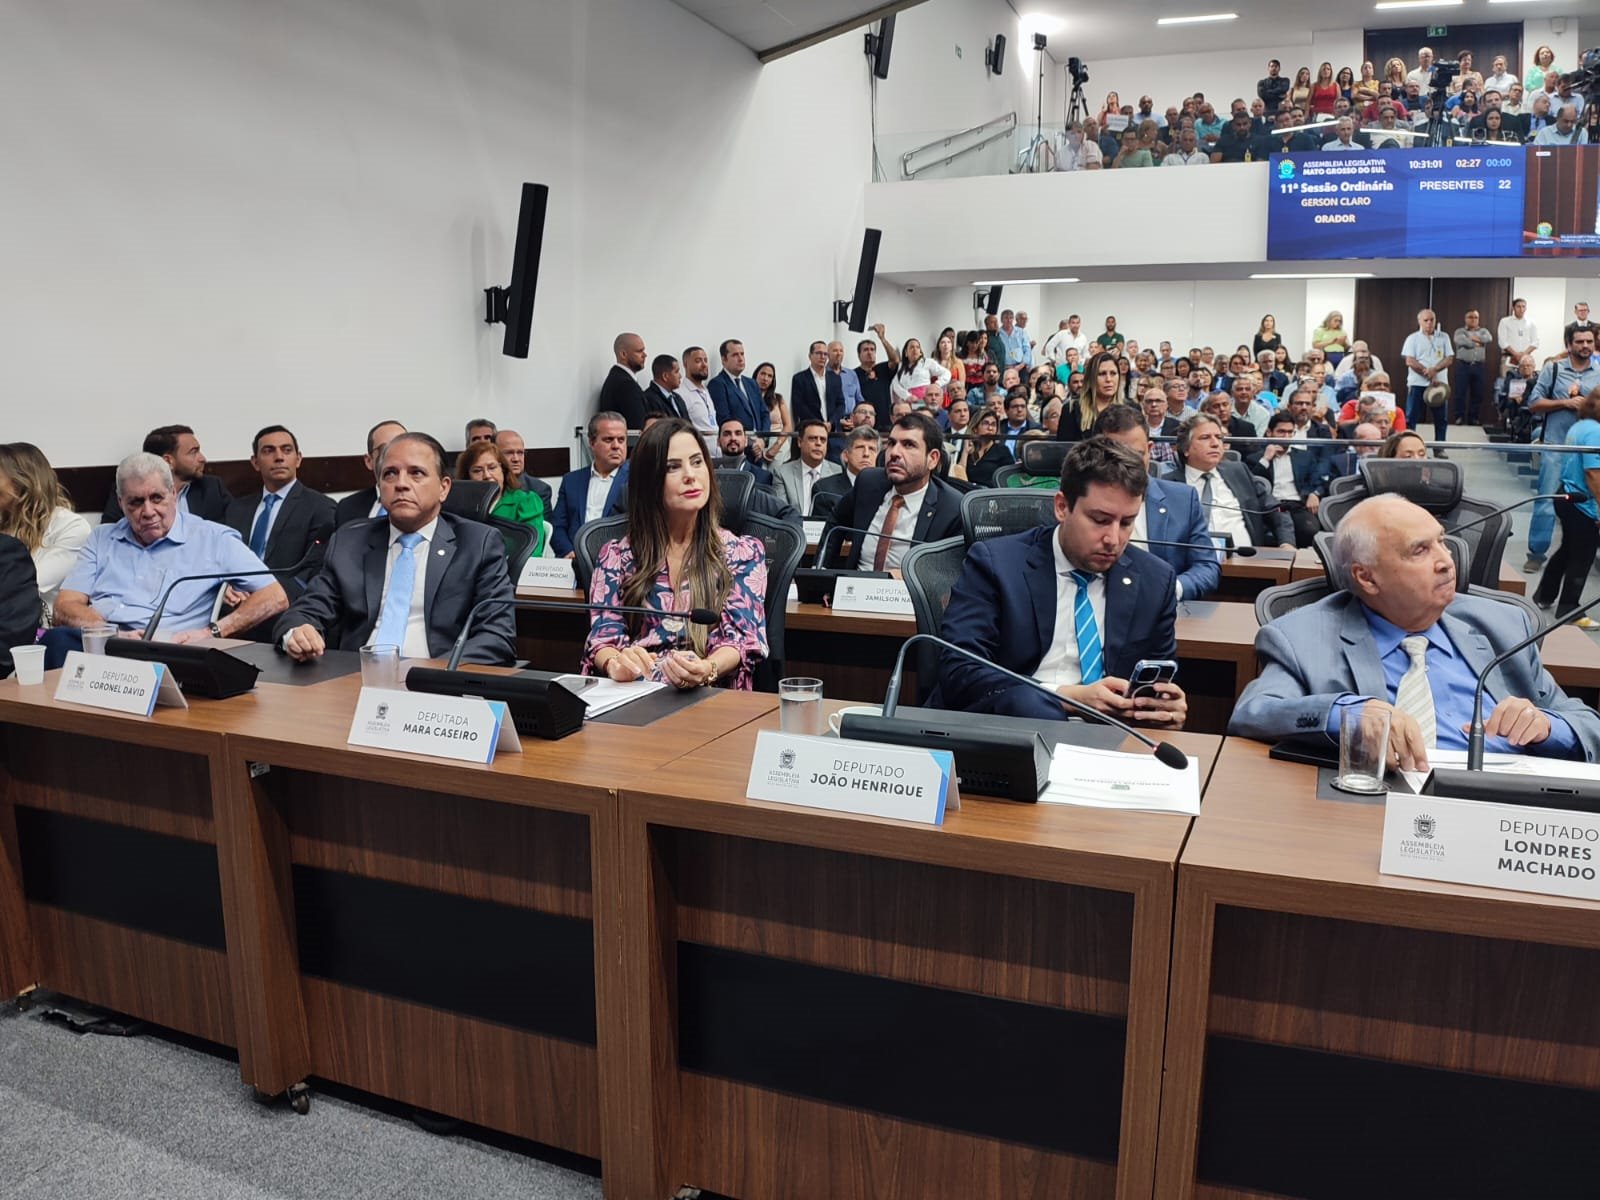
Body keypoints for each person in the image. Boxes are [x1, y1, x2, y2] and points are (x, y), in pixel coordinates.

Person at [1230, 495, 1600, 766]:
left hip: (1509, 812)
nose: (1446, 561)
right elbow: (1254, 712)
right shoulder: (1303, 636)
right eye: (1420, 550)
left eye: (1442, 541)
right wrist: (1351, 714)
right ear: (1367, 577)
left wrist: (1547, 726)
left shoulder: (1503, 625)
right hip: (1382, 809)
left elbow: (1589, 727)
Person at [930, 437, 1188, 725]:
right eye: (1100, 520)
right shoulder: (995, 565)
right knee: (1033, 707)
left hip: (1109, 736)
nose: (1113, 539)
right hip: (1012, 727)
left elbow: (1156, 680)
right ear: (1062, 507)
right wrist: (1067, 698)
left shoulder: (1156, 581)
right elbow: (961, 671)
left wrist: (1163, 708)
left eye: (1127, 522)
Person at [275, 433, 514, 666]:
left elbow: (496, 636)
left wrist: (435, 673)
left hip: (436, 680)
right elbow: (307, 610)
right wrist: (298, 632)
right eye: (390, 474)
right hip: (356, 677)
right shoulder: (350, 542)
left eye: (416, 473)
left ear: (444, 488)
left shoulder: (478, 544)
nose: (401, 484)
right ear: (380, 486)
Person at [582, 419, 766, 690]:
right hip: (636, 691)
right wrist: (616, 663)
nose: (690, 475)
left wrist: (707, 669)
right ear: (649, 481)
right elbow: (602, 638)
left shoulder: (741, 553)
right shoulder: (617, 556)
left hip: (711, 692)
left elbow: (740, 638)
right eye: (672, 467)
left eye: (697, 462)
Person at [57, 453, 287, 641]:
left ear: (173, 494)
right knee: (56, 643)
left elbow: (274, 596)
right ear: (121, 503)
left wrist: (213, 632)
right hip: (104, 649)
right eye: (136, 502)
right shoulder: (101, 538)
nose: (148, 512)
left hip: (170, 652)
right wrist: (110, 633)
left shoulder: (212, 539)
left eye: (157, 498)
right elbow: (65, 605)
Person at [1094, 406, 1218, 600]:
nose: (1127, 465)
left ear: (1149, 450)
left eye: (1136, 455)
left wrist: (1170, 590)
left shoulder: (1183, 499)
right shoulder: (1079, 500)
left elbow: (1206, 566)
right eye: (1116, 457)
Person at [822, 413, 960, 571]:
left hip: (907, 586)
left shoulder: (952, 509)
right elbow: (836, 520)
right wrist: (824, 572)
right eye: (892, 443)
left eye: (909, 445)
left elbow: (954, 573)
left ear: (932, 459)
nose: (894, 453)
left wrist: (915, 578)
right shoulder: (868, 483)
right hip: (856, 583)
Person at [222, 425, 337, 606]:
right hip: (235, 601)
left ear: (298, 459)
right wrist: (225, 586)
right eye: (269, 451)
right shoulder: (237, 508)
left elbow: (314, 571)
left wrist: (267, 596)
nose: (279, 457)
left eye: (287, 450)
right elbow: (223, 559)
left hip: (287, 605)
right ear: (255, 462)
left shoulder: (321, 507)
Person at [1526, 326, 1600, 571]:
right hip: (1556, 446)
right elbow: (1533, 403)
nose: (1585, 346)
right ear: (1569, 345)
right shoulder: (1553, 369)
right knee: (1547, 501)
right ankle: (1536, 553)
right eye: (1579, 341)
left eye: (1589, 341)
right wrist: (1565, 402)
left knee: (1592, 501)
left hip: (1590, 451)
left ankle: (1582, 554)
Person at [1169, 414, 1294, 549]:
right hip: (1192, 559)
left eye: (1219, 437)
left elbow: (1276, 509)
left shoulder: (1238, 472)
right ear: (1186, 448)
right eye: (1205, 438)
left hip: (1245, 556)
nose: (1215, 444)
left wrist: (1286, 543)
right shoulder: (1169, 485)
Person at [0, 442, 90, 624]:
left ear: (23, 480)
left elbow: (22, 585)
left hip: (34, 629)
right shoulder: (4, 522)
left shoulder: (71, 527)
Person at [1533, 387, 1600, 624]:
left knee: (1568, 549)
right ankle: (1570, 609)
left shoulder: (1580, 426)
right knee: (1582, 556)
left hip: (1566, 496)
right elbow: (1593, 474)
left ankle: (1544, 595)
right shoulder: (1595, 432)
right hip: (1582, 502)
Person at [101, 425, 230, 523]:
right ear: (168, 461)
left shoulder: (212, 487)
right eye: (193, 452)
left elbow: (234, 529)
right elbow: (110, 534)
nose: (202, 459)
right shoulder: (130, 491)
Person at [550, 412, 630, 558]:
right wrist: (568, 552)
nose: (616, 446)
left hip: (617, 562)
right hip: (575, 560)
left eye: (621, 440)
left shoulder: (636, 480)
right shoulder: (571, 480)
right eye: (608, 439)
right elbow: (557, 526)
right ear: (592, 443)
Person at [1253, 410, 1329, 548]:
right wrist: (1265, 459)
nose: (1286, 437)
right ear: (1269, 432)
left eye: (1290, 432)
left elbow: (1318, 481)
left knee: (1310, 529)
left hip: (1297, 504)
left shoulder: (1304, 456)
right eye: (1281, 432)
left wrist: (1314, 494)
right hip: (1269, 505)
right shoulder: (1256, 458)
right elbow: (1253, 484)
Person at [456, 441, 546, 556]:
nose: (487, 475)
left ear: (503, 470)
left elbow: (533, 552)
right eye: (477, 470)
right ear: (467, 477)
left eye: (492, 467)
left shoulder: (526, 501)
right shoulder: (460, 506)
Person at [334, 420, 406, 527]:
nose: (394, 455)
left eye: (402, 447)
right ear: (369, 461)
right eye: (385, 449)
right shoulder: (347, 507)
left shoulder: (425, 502)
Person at [1402, 309, 1454, 449]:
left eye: (1432, 320)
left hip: (1438, 383)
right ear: (1419, 321)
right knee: (1411, 417)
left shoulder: (1444, 337)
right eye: (1426, 320)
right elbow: (1410, 361)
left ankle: (1439, 448)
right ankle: (1409, 447)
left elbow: (1449, 358)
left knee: (1441, 418)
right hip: (1417, 383)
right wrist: (1427, 373)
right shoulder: (1412, 338)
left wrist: (1434, 370)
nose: (1429, 323)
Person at [773, 420, 840, 517]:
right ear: (800, 442)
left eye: (823, 440)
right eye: (813, 439)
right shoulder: (782, 472)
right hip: (793, 525)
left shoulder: (838, 472)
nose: (818, 443)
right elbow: (781, 512)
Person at [811, 426, 878, 519]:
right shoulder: (824, 489)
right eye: (860, 447)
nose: (866, 454)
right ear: (846, 456)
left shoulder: (886, 489)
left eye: (871, 449)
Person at [1057, 350, 1123, 442]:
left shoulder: (1131, 409)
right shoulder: (1071, 410)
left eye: (1113, 373)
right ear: (1090, 378)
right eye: (1102, 374)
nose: (1108, 379)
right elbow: (1064, 447)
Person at [790, 340, 848, 439]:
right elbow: (799, 405)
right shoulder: (800, 378)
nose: (822, 357)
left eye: (825, 354)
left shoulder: (835, 378)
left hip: (832, 430)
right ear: (810, 356)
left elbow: (841, 404)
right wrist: (819, 424)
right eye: (818, 353)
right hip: (810, 430)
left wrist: (831, 422)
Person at [710, 338, 768, 434]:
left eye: (742, 354)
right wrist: (744, 438)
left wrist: (763, 437)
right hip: (737, 440)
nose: (741, 359)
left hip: (759, 440)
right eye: (735, 355)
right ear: (724, 360)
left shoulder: (752, 383)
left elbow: (764, 413)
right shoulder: (717, 384)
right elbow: (724, 419)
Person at [493, 429, 555, 511]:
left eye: (520, 453)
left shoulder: (540, 490)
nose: (516, 459)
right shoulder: (485, 485)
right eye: (509, 453)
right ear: (494, 455)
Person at [599, 332, 649, 430]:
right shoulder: (626, 385)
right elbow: (638, 426)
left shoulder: (618, 378)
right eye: (639, 351)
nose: (644, 355)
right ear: (623, 354)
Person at [1450, 310, 1492, 426]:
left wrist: (1471, 339)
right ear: (1465, 319)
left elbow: (1488, 338)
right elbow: (1460, 340)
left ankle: (1473, 418)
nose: (1473, 319)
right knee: (1460, 393)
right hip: (1463, 365)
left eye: (1475, 317)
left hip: (1479, 366)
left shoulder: (1484, 331)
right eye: (1470, 317)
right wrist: (1477, 342)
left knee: (1477, 393)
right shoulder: (1460, 331)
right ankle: (1459, 417)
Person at [890, 337, 951, 407]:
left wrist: (937, 384)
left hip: (925, 400)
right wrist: (907, 396)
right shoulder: (901, 366)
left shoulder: (927, 362)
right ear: (906, 352)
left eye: (917, 347)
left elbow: (947, 373)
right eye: (912, 347)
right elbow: (895, 384)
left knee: (924, 414)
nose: (915, 349)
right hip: (908, 402)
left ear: (920, 352)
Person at [676, 346, 720, 434]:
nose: (704, 365)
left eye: (705, 360)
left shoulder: (705, 390)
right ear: (686, 364)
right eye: (698, 361)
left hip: (715, 439)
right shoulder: (680, 393)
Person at [716, 419, 773, 486]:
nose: (733, 438)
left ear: (746, 441)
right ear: (718, 441)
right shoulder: (709, 474)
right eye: (727, 434)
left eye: (738, 434)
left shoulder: (763, 477)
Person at [751, 361, 790, 456]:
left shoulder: (778, 398)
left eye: (770, 376)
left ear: (772, 380)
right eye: (763, 374)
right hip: (755, 442)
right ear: (756, 375)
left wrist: (777, 446)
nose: (765, 378)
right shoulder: (748, 398)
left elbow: (788, 425)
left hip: (777, 442)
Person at [642, 354, 691, 421]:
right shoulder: (649, 399)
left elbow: (688, 423)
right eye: (676, 372)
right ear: (665, 376)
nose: (680, 376)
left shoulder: (677, 398)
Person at [1497, 298, 1538, 375]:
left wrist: (1523, 354)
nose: (1521, 309)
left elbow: (1535, 342)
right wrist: (1516, 354)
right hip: (1509, 358)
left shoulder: (1531, 323)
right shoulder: (1505, 321)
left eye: (1523, 306)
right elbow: (1502, 342)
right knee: (1507, 380)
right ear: (1513, 308)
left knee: (1525, 381)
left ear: (1526, 308)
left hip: (1526, 360)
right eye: (1518, 306)